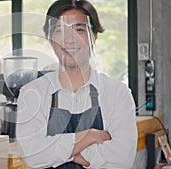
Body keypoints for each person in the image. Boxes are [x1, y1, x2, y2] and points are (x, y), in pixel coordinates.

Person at [16, 0, 137, 168]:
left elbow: (122, 159)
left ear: (94, 36)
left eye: (79, 29)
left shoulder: (117, 93)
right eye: (60, 30)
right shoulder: (32, 93)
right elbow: (33, 155)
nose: (70, 39)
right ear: (49, 38)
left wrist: (70, 153)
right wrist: (89, 136)